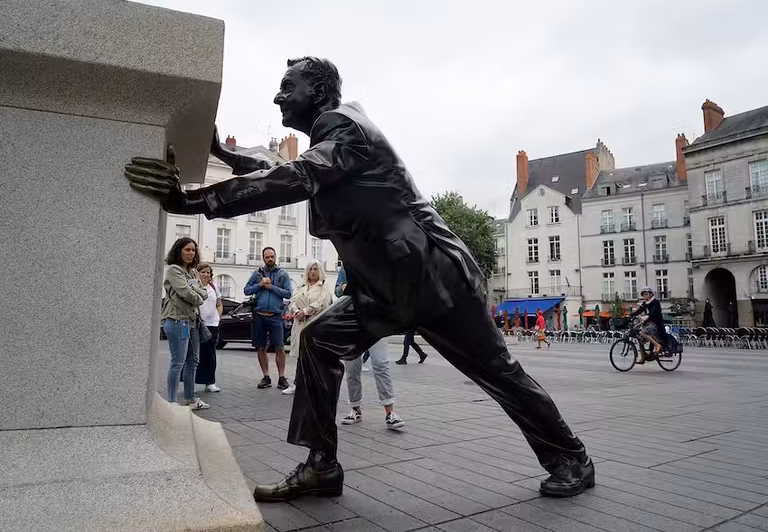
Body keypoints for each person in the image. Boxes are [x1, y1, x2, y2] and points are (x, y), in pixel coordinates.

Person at [124, 56, 593, 502]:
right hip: (384, 289)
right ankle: (321, 466)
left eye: (289, 87)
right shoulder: (333, 140)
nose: (277, 98)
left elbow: (295, 176)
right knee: (320, 342)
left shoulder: (346, 128)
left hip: (432, 281)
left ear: (321, 91)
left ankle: (572, 458)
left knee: (500, 374)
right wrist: (224, 152)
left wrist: (192, 201)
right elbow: (283, 171)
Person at [336, 265, 404, 430]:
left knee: (381, 364)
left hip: (375, 322)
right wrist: (344, 287)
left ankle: (390, 413)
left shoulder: (375, 262)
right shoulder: (347, 265)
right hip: (352, 322)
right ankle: (355, 410)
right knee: (352, 368)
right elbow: (338, 291)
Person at [161, 238, 210, 410]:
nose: (191, 253)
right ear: (179, 250)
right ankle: (172, 402)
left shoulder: (194, 272)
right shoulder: (174, 270)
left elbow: (204, 292)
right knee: (178, 362)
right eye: (187, 250)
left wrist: (196, 294)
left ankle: (190, 398)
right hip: (177, 321)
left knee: (193, 361)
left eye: (193, 250)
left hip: (193, 322)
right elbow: (187, 294)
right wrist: (197, 295)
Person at [243, 247, 292, 390]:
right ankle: (266, 377)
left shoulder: (283, 274)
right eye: (267, 257)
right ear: (263, 258)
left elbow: (288, 293)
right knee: (261, 347)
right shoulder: (257, 274)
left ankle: (282, 378)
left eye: (272, 256)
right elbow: (246, 290)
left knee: (280, 348)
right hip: (259, 316)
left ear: (276, 256)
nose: (270, 259)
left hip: (276, 316)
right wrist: (260, 285)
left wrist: (271, 287)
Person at [282, 260, 332, 395]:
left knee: (315, 355)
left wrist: (305, 311)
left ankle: (317, 384)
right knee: (301, 355)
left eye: (315, 269)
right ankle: (297, 383)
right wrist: (296, 311)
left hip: (314, 324)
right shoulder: (302, 286)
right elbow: (292, 301)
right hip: (300, 324)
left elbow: (322, 303)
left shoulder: (324, 287)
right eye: (310, 269)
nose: (313, 272)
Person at [196, 263, 223, 393]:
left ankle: (210, 382)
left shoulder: (213, 287)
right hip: (197, 324)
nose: (206, 274)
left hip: (212, 324)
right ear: (197, 273)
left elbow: (219, 304)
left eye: (208, 272)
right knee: (194, 354)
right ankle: (190, 383)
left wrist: (218, 317)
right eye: (203, 272)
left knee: (210, 354)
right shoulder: (194, 286)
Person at [630, 286, 665, 363]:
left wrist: (647, 316)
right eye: (644, 294)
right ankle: (643, 357)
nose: (645, 296)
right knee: (639, 338)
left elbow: (653, 312)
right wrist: (630, 315)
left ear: (651, 294)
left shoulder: (655, 302)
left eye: (646, 294)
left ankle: (657, 345)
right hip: (648, 324)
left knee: (642, 332)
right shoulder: (645, 303)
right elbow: (639, 310)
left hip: (656, 324)